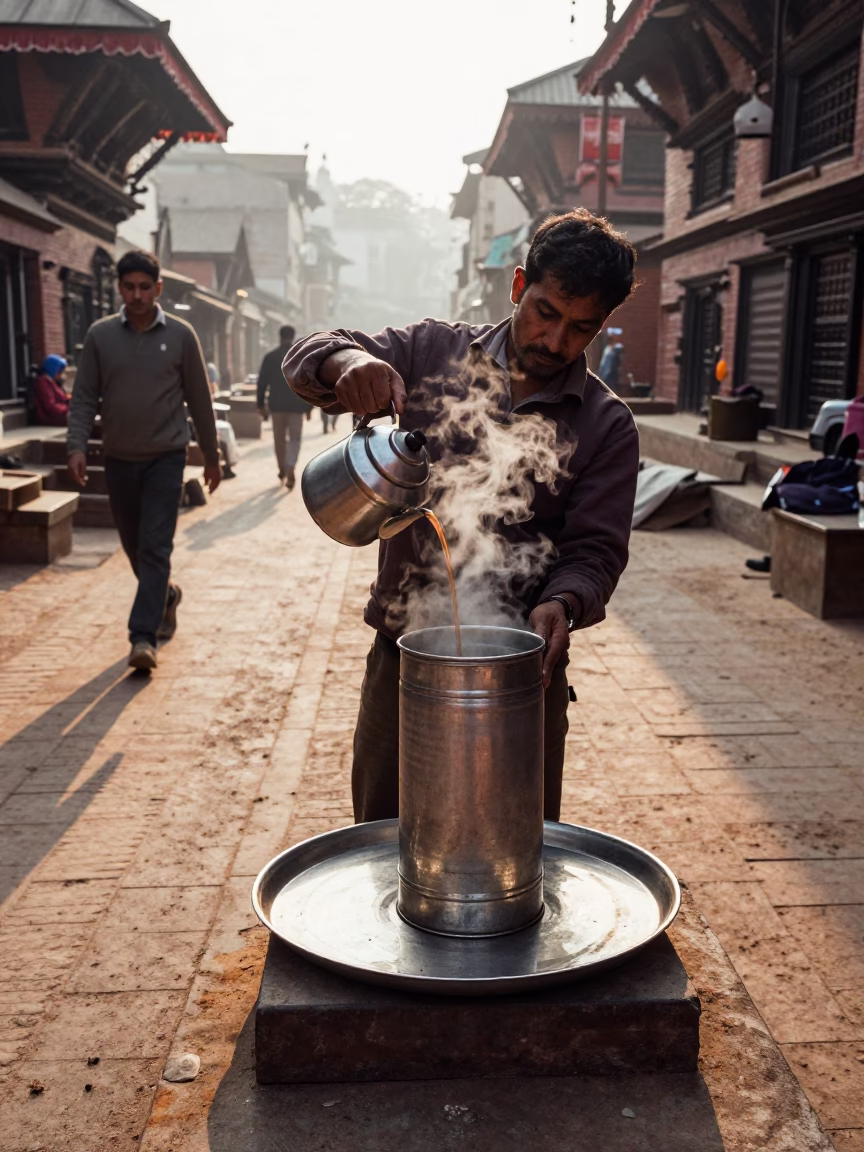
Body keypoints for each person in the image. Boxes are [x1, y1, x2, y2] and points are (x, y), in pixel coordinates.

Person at [284, 209, 640, 824]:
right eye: (546, 312)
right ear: (517, 285)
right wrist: (346, 365)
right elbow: (307, 357)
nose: (555, 342)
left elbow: (596, 551)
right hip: (404, 657)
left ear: (603, 324)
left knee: (511, 842)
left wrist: (568, 600)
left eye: (581, 328)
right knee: (382, 837)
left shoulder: (607, 425)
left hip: (523, 672)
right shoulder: (431, 352)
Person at [67, 249, 221, 672]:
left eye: (144, 287)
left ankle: (142, 636)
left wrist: (212, 456)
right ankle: (165, 596)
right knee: (134, 546)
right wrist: (76, 445)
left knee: (155, 546)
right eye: (129, 287)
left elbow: (199, 400)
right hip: (118, 458)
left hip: (166, 458)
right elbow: (83, 398)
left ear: (158, 288)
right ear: (119, 288)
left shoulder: (182, 334)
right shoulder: (100, 336)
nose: (136, 295)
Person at [256, 325, 311, 489]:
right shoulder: (299, 358)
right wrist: (308, 408)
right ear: (293, 337)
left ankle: (282, 468)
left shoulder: (270, 357)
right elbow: (307, 383)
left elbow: (262, 383)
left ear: (279, 337)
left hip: (277, 407)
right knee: (294, 440)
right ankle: (290, 465)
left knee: (279, 440)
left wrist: (260, 405)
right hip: (296, 408)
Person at [32, 355, 70, 426]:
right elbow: (50, 406)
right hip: (52, 417)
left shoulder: (53, 382)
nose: (61, 375)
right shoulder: (43, 382)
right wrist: (67, 409)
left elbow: (62, 397)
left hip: (62, 413)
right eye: (59, 372)